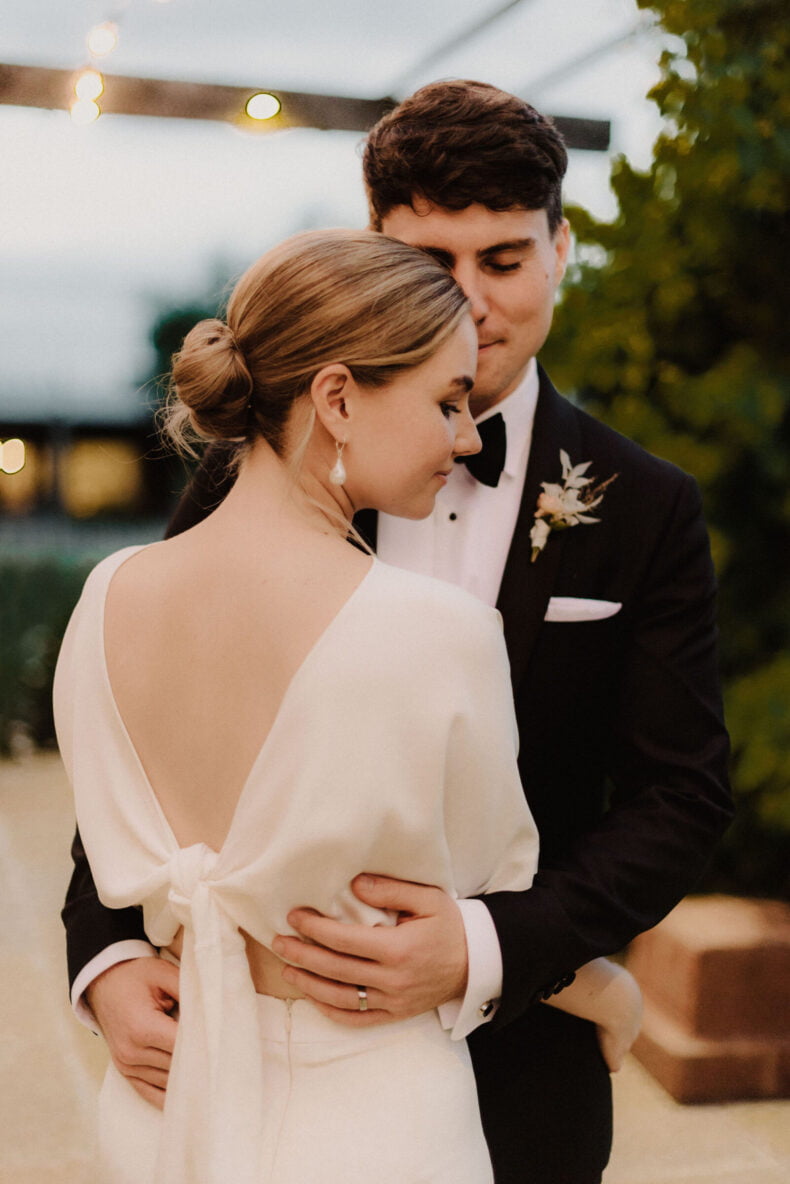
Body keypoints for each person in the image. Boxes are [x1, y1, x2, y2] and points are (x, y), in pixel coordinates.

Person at [62, 83, 733, 1183]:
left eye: (502, 260)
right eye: (430, 264)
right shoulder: (249, 474)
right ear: (374, 248)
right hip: (220, 1053)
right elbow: (149, 742)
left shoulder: (645, 505)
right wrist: (108, 958)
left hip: (519, 1060)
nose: (468, 301)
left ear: (560, 249)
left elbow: (681, 794)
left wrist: (489, 947)